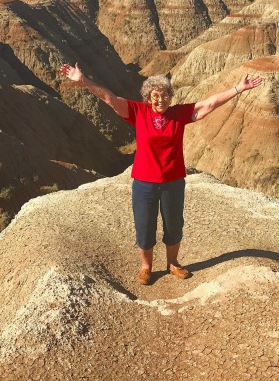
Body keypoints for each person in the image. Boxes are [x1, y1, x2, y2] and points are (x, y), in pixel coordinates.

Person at [59, 63, 262, 285]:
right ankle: (146, 267)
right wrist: (83, 80)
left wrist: (238, 89)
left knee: (174, 224)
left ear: (170, 97)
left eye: (165, 95)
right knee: (145, 225)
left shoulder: (179, 114)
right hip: (144, 183)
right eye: (155, 95)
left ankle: (172, 263)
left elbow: (210, 104)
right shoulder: (138, 112)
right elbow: (110, 98)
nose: (160, 100)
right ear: (148, 97)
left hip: (173, 182)